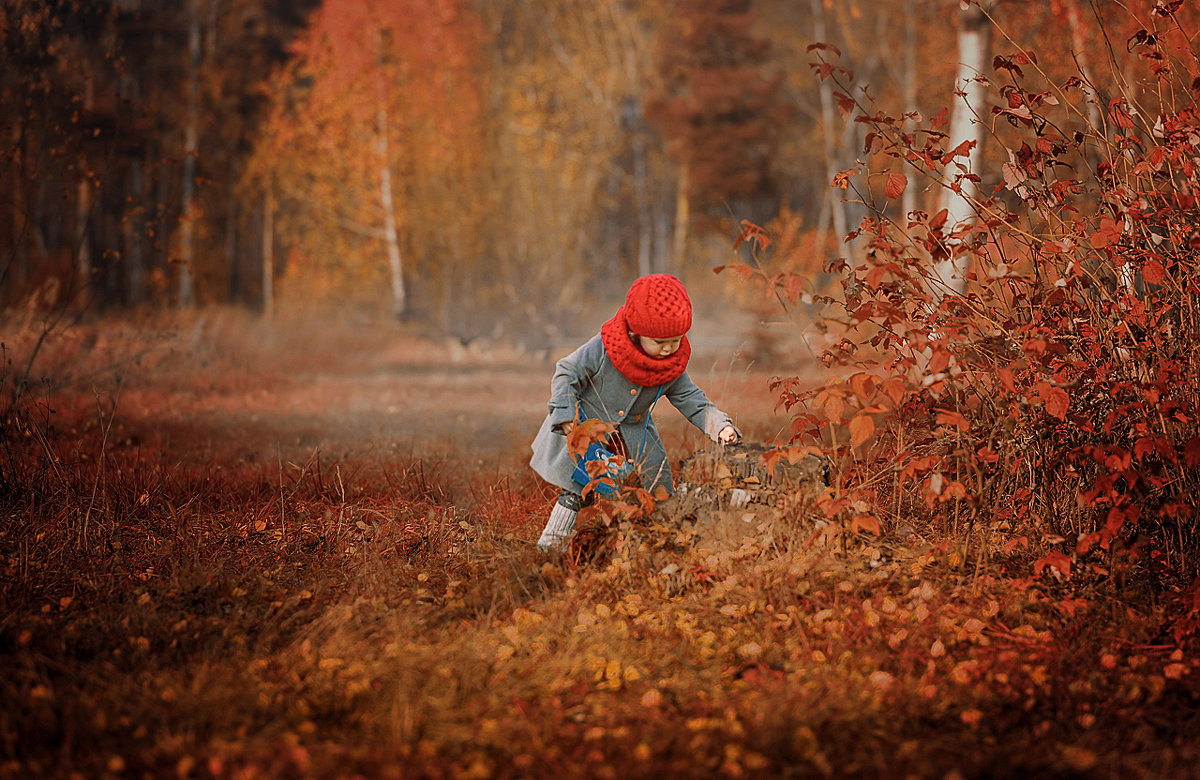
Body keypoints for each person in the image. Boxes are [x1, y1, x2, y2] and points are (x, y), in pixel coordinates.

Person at [529, 274, 740, 552]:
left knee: (653, 495)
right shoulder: (604, 347)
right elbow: (568, 372)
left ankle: (644, 549)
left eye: (676, 340)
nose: (668, 348)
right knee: (576, 489)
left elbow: (692, 399)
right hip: (585, 432)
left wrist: (720, 425)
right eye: (659, 341)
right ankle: (549, 548)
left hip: (632, 440)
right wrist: (567, 414)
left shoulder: (670, 366)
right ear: (636, 332)